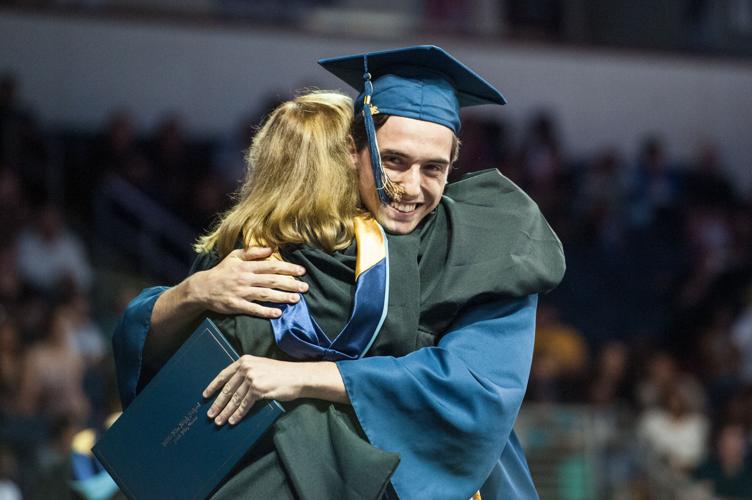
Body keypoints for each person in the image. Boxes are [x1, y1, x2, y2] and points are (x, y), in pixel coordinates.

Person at [114, 46, 565, 499]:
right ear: (354, 149)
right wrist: (195, 292)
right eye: (394, 161)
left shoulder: (485, 244)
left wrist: (302, 377)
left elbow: (471, 388)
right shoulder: (268, 250)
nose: (410, 187)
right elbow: (164, 367)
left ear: (455, 161)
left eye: (434, 168)